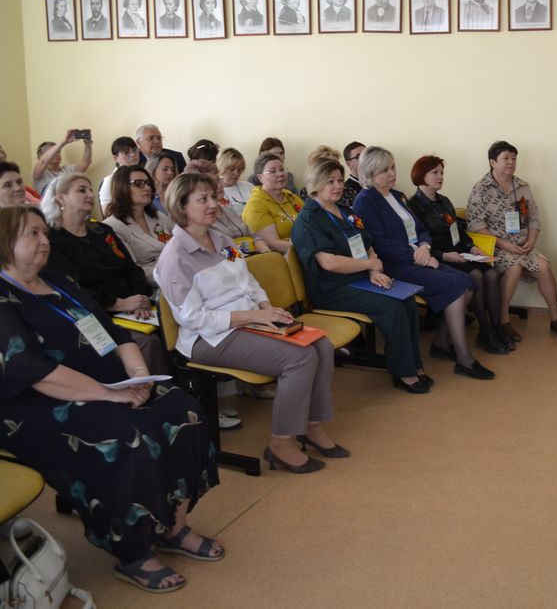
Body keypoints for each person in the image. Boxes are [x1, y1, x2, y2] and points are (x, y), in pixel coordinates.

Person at [0, 205, 221, 594]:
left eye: (44, 232)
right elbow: (35, 372)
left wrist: (139, 377)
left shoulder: (59, 281)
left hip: (111, 384)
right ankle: (133, 552)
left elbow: (114, 332)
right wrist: (109, 394)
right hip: (39, 403)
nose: (44, 241)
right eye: (32, 234)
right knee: (126, 438)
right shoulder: (4, 298)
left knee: (182, 409)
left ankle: (173, 524)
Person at [156, 173, 345, 473]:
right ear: (181, 207)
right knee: (298, 358)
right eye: (202, 199)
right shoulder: (175, 257)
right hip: (210, 338)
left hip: (250, 321)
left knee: (320, 345)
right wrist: (254, 316)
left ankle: (311, 425)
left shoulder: (221, 239)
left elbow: (249, 283)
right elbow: (193, 318)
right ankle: (281, 443)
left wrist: (268, 309)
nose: (213, 204)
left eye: (213, 197)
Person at [292, 160, 432, 393]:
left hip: (360, 278)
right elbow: (329, 263)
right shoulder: (309, 219)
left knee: (407, 300)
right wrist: (369, 265)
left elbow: (367, 244)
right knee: (392, 307)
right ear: (315, 184)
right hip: (332, 288)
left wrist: (374, 271)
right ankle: (403, 372)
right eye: (330, 181)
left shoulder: (345, 211)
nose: (338, 186)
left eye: (339, 180)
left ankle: (414, 364)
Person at [353, 147, 494, 380]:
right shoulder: (365, 201)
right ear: (369, 173)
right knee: (459, 286)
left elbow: (420, 229)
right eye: (384, 170)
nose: (392, 173)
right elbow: (378, 243)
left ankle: (441, 342)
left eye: (392, 168)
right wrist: (417, 255)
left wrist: (425, 247)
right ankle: (464, 358)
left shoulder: (397, 195)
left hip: (418, 258)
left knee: (468, 283)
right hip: (396, 265)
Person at [42, 173, 169, 375]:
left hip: (133, 308)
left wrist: (139, 299)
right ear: (61, 198)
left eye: (90, 189)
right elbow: (71, 290)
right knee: (148, 342)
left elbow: (131, 269)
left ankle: (188, 387)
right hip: (92, 315)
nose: (90, 194)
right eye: (81, 190)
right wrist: (118, 304)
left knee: (171, 323)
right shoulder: (52, 241)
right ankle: (154, 391)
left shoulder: (102, 231)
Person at [408, 155, 511, 354]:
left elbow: (459, 232)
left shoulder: (444, 201)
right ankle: (484, 330)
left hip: (461, 254)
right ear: (421, 175)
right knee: (476, 275)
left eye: (442, 173)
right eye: (435, 172)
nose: (440, 177)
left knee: (491, 273)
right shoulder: (413, 206)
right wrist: (445, 256)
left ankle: (496, 327)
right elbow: (416, 244)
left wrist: (472, 247)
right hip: (439, 258)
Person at [466, 141, 557, 339]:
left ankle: (556, 318)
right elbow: (476, 226)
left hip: (521, 245)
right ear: (493, 162)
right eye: (506, 158)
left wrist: (531, 240)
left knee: (544, 266)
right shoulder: (480, 189)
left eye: (513, 158)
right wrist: (505, 244)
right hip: (495, 247)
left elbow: (534, 218)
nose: (511, 162)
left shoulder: (522, 186)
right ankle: (503, 320)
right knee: (514, 267)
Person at [103, 165, 174, 286]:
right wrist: (172, 273)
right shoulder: (112, 227)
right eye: (139, 183)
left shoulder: (158, 216)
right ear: (122, 188)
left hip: (178, 271)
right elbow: (132, 271)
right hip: (155, 285)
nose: (147, 188)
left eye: (148, 183)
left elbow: (180, 242)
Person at [183, 160, 268, 253]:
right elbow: (219, 253)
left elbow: (254, 236)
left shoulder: (228, 210)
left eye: (218, 179)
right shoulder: (200, 221)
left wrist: (265, 252)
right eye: (212, 182)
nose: (219, 185)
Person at [242, 153, 303, 254]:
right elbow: (273, 243)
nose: (280, 174)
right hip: (287, 256)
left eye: (282, 169)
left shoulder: (290, 196)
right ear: (260, 177)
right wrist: (310, 249)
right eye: (273, 171)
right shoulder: (255, 205)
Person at [99, 136, 142, 209]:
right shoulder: (110, 181)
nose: (133, 154)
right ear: (116, 158)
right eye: (126, 152)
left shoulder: (143, 175)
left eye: (135, 150)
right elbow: (106, 211)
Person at [217, 148, 254, 216]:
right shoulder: (214, 192)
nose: (236, 173)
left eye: (239, 170)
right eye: (232, 169)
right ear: (221, 167)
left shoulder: (248, 186)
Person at [146, 151, 179, 217]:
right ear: (153, 170)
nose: (170, 173)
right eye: (165, 169)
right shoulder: (147, 195)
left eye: (172, 170)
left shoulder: (177, 192)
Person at [342, 142, 366, 207]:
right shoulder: (344, 190)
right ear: (349, 164)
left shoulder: (377, 183)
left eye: (367, 155)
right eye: (359, 156)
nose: (365, 159)